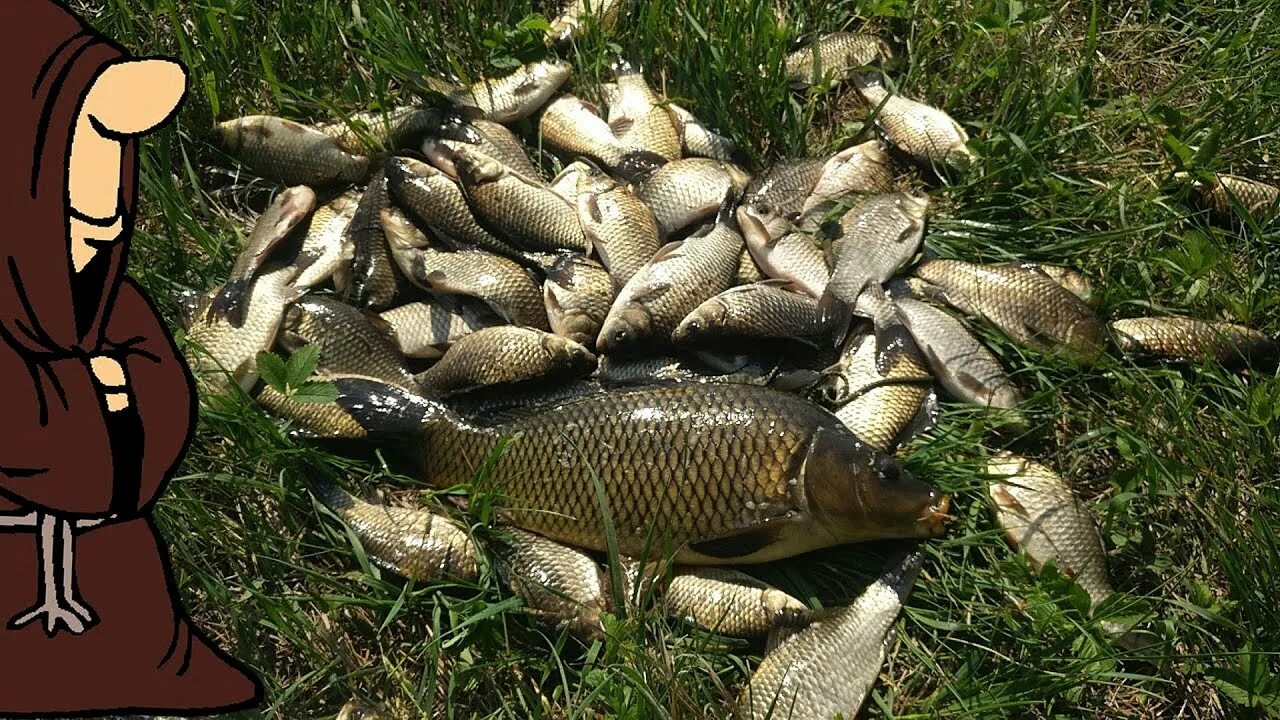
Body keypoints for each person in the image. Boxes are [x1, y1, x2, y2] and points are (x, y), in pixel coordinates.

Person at [0, 0, 261, 714]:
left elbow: (162, 409)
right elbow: (67, 461)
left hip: (115, 579)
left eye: (109, 198)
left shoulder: (108, 296)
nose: (105, 221)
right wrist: (104, 393)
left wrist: (98, 395)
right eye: (74, 206)